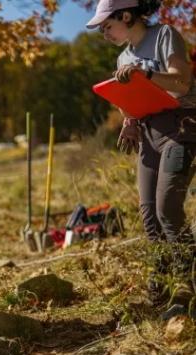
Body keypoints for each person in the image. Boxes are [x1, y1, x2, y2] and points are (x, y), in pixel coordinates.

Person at [86, 0, 196, 305]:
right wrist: (129, 122)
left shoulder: (164, 35)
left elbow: (182, 83)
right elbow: (133, 97)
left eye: (107, 26)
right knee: (149, 214)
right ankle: (158, 285)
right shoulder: (123, 57)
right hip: (149, 132)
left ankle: (185, 284)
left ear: (125, 15)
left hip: (182, 127)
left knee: (168, 209)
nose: (104, 33)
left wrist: (144, 75)